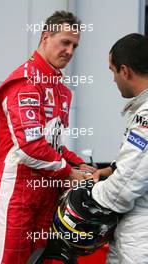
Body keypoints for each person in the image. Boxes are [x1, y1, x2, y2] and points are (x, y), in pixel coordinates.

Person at [0, 10, 94, 264]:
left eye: (74, 46)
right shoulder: (25, 82)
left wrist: (82, 166)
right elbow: (30, 147)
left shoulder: (60, 90)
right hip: (16, 191)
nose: (69, 51)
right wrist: (70, 172)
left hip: (46, 192)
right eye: (64, 42)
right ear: (46, 37)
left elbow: (53, 146)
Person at [91, 33, 148, 264]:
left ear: (125, 71)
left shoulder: (146, 115)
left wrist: (88, 193)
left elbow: (123, 188)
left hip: (140, 240)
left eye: (112, 71)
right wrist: (111, 170)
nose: (114, 79)